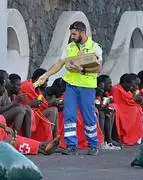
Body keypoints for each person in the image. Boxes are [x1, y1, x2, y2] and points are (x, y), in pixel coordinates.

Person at [36, 21, 103, 155]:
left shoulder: (95, 47)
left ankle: (93, 145)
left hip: (87, 87)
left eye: (74, 33)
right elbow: (59, 64)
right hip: (71, 86)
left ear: (82, 32)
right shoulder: (70, 47)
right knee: (69, 116)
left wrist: (82, 69)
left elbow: (99, 68)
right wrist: (45, 75)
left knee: (89, 116)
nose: (72, 36)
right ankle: (71, 146)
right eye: (71, 33)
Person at [20, 68, 59, 142]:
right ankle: (47, 142)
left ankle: (55, 140)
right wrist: (51, 102)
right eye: (46, 80)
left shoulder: (36, 88)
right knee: (52, 111)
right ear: (39, 78)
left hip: (34, 114)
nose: (47, 84)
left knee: (55, 109)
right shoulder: (27, 85)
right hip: (27, 116)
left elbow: (41, 105)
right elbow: (42, 106)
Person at [111, 74, 143, 145]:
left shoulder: (127, 90)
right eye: (130, 84)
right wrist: (134, 99)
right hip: (121, 109)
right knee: (135, 110)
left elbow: (129, 100)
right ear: (124, 82)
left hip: (127, 108)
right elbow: (118, 102)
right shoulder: (116, 89)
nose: (132, 87)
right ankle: (127, 137)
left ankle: (136, 136)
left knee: (137, 109)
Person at [96, 76, 121, 150]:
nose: (111, 85)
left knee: (110, 111)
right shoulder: (95, 94)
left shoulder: (104, 94)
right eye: (109, 83)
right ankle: (102, 141)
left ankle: (108, 139)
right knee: (102, 113)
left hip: (98, 110)